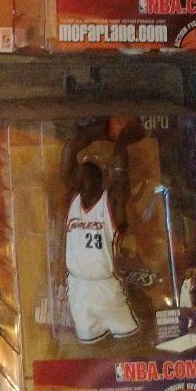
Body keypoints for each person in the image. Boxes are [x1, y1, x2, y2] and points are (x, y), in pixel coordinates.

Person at [60, 121, 143, 344]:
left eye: (81, 173)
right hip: (77, 287)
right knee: (90, 345)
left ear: (95, 180)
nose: (74, 177)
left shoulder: (112, 202)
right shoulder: (73, 201)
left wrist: (122, 138)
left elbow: (120, 173)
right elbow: (69, 150)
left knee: (130, 341)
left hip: (105, 285)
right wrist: (99, 130)